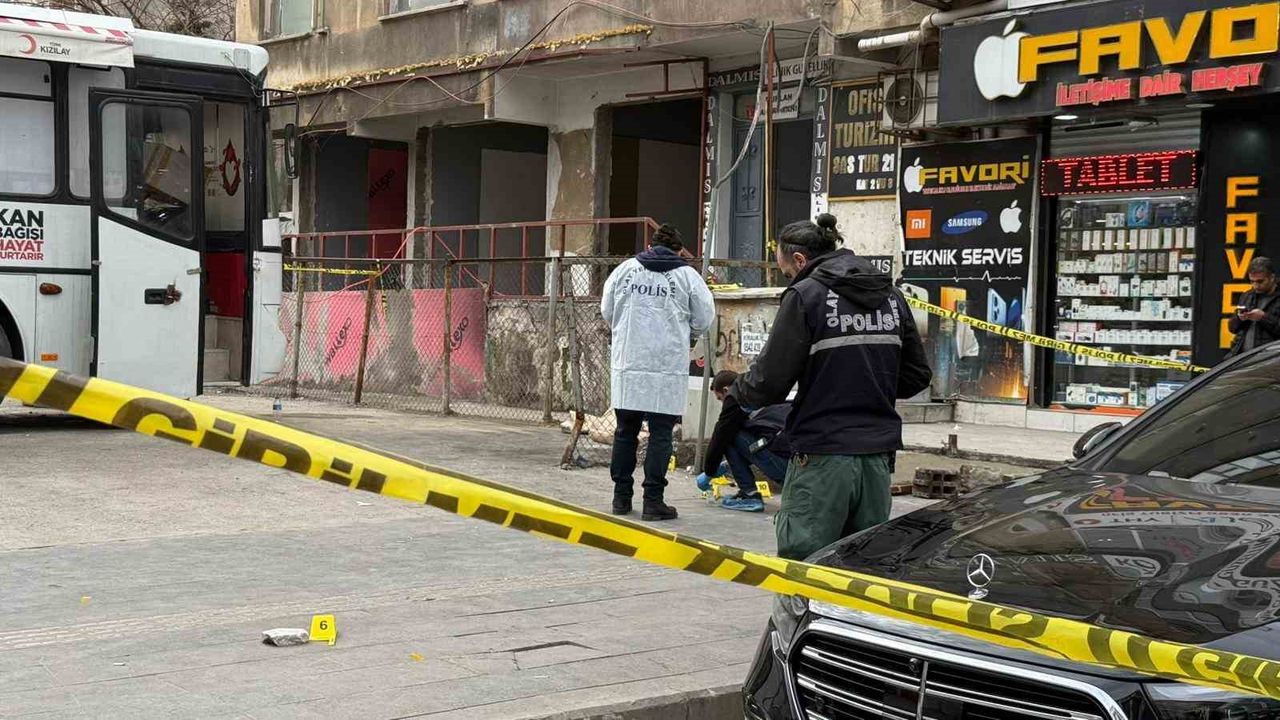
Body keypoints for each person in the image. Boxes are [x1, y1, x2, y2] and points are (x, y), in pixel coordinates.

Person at [734, 213, 932, 560]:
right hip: (876, 457)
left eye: (787, 272)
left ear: (799, 260)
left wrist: (737, 392)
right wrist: (871, 385)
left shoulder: (806, 295)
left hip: (822, 455)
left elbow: (768, 383)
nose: (789, 278)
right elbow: (917, 374)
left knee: (805, 562)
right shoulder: (891, 296)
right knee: (865, 564)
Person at [601, 224, 715, 521]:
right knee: (661, 434)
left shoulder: (625, 270)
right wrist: (686, 333)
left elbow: (607, 310)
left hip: (629, 364)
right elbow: (705, 317)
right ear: (679, 250)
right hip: (667, 367)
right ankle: (653, 501)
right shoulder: (688, 276)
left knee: (625, 432)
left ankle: (621, 498)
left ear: (650, 246)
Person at [695, 370, 791, 513]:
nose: (723, 404)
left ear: (726, 390)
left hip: (782, 464)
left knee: (729, 435)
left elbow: (719, 438)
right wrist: (725, 467)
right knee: (738, 434)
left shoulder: (736, 398)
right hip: (797, 465)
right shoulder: (760, 393)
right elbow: (752, 446)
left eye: (720, 399)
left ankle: (749, 494)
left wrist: (709, 472)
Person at [1228, 256, 1280, 358]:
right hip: (1242, 357)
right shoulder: (1247, 296)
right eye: (1252, 281)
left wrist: (1263, 317)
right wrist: (1239, 318)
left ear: (1272, 278)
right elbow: (1232, 328)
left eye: (1260, 281)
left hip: (1270, 358)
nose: (1255, 285)